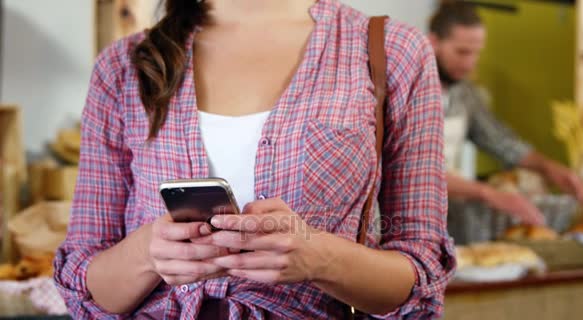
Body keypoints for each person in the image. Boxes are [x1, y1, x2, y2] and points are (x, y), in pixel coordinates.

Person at [53, 0, 455, 318]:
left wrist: (319, 257)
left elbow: (421, 276)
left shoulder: (392, 51)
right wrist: (147, 252)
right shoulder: (121, 66)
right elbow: (87, 290)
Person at [428, 2, 583, 228]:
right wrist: (487, 193)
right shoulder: (406, 91)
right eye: (462, 52)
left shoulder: (465, 94)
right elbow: (415, 172)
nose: (470, 63)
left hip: (444, 220)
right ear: (433, 42)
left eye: (476, 53)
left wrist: (547, 167)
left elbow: (500, 141)